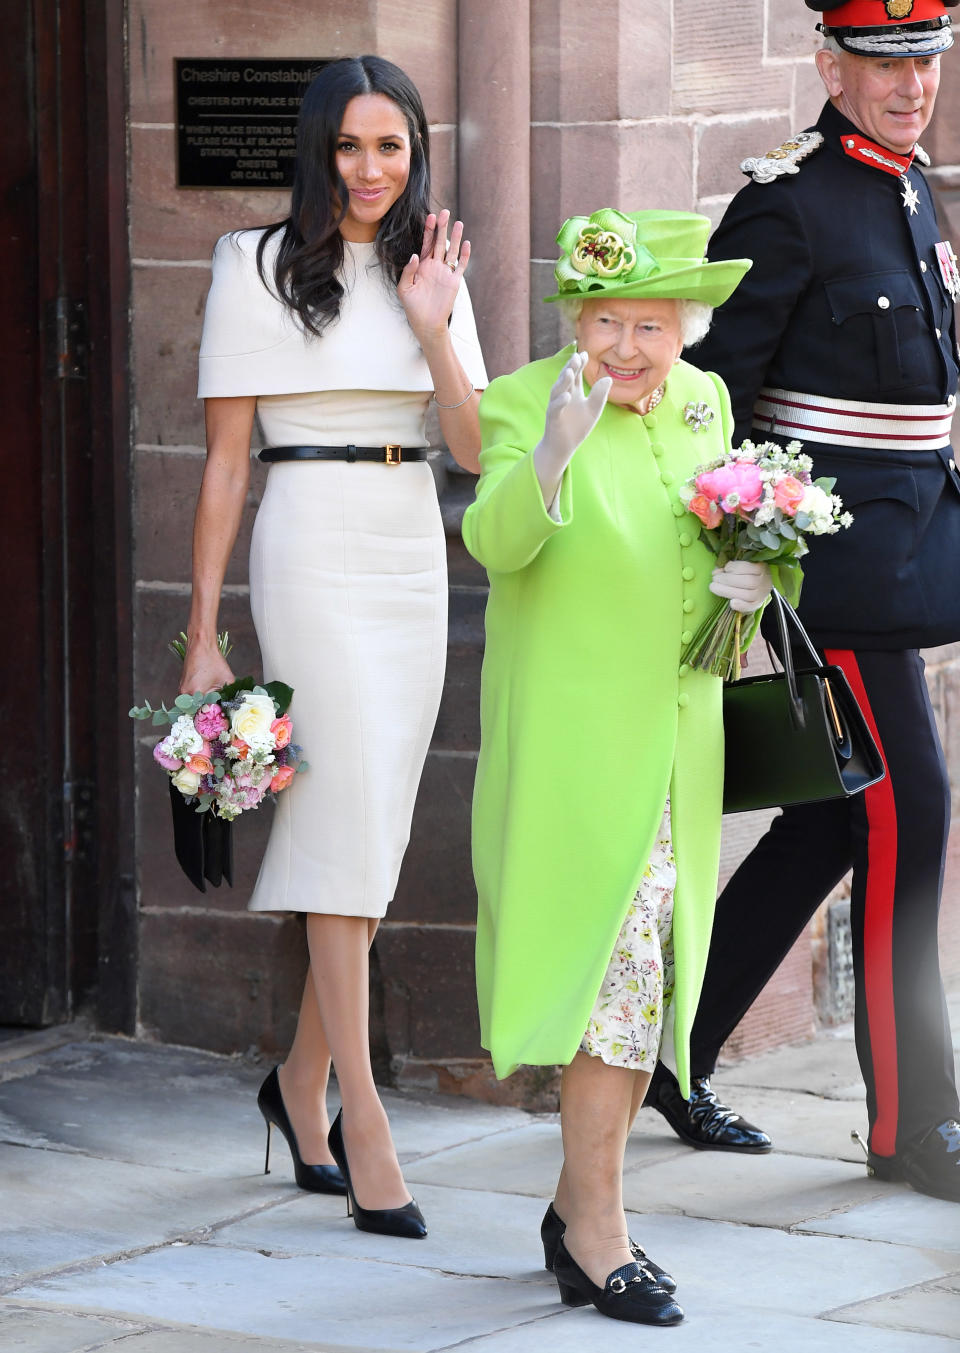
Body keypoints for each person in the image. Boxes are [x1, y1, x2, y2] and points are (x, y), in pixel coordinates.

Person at [646, 0, 960, 1205]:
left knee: (839, 819)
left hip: (909, 548)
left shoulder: (912, 189)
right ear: (830, 66)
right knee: (912, 813)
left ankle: (677, 1052)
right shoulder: (787, 201)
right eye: (885, 66)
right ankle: (913, 1125)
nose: (909, 86)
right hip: (829, 576)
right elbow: (713, 397)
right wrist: (743, 537)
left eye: (924, 63)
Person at [180, 55, 487, 1239]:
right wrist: (204, 640)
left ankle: (297, 1085)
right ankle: (365, 1119)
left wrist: (433, 324)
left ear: (415, 152)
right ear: (318, 151)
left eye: (391, 147)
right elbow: (221, 467)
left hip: (411, 536)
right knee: (342, 822)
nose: (370, 170)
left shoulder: (435, 269)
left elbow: (470, 447)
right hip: (307, 539)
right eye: (350, 147)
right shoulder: (252, 265)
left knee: (372, 834)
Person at [462, 209, 761, 1324]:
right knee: (611, 986)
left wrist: (757, 579)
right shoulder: (524, 399)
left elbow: (733, 532)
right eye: (605, 323)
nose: (628, 347)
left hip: (683, 738)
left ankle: (576, 1208)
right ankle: (599, 1234)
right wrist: (555, 448)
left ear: (684, 325)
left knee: (651, 987)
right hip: (575, 746)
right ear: (574, 321)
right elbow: (494, 541)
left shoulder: (704, 398)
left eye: (651, 323)